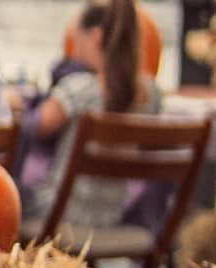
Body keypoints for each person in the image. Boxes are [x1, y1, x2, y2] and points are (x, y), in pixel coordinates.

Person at [24, 0, 164, 230]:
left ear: (96, 36)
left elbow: (31, 128)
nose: (75, 49)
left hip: (59, 215)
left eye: (78, 38)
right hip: (113, 216)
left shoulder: (80, 90)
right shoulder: (151, 94)